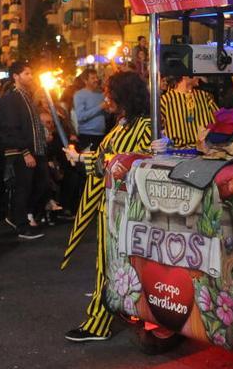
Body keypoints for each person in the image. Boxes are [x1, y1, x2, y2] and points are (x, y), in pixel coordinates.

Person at [61, 71, 153, 342]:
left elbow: (129, 163)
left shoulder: (145, 126)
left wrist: (82, 160)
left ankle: (99, 323)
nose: (106, 97)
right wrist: (82, 157)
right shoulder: (124, 124)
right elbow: (108, 157)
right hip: (110, 206)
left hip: (125, 210)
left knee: (111, 265)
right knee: (110, 264)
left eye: (110, 92)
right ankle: (112, 315)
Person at [0, 61, 48, 240]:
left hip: (36, 149)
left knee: (41, 184)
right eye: (26, 74)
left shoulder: (28, 97)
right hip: (21, 152)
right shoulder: (12, 98)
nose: (30, 77)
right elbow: (11, 128)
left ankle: (21, 215)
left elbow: (32, 125)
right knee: (23, 188)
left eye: (31, 73)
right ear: (16, 77)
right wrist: (25, 151)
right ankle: (20, 223)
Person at [160, 75, 218, 149]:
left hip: (205, 150)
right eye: (196, 74)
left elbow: (219, 120)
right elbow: (157, 131)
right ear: (185, 76)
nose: (200, 77)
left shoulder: (205, 96)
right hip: (177, 153)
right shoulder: (165, 101)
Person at [73, 69, 106, 151]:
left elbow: (103, 114)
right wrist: (100, 107)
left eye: (96, 77)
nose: (96, 80)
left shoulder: (100, 94)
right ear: (85, 81)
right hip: (87, 135)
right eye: (93, 78)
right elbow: (81, 116)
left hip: (101, 135)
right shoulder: (79, 95)